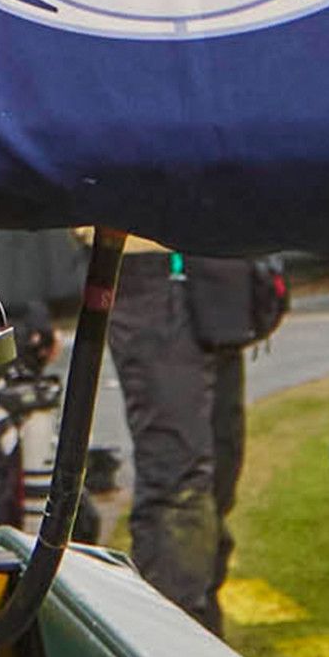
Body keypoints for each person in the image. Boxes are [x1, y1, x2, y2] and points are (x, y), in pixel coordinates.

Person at [109, 244, 272, 631]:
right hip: (150, 271)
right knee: (177, 483)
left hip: (214, 261)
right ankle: (171, 656)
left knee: (219, 474)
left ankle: (207, 643)